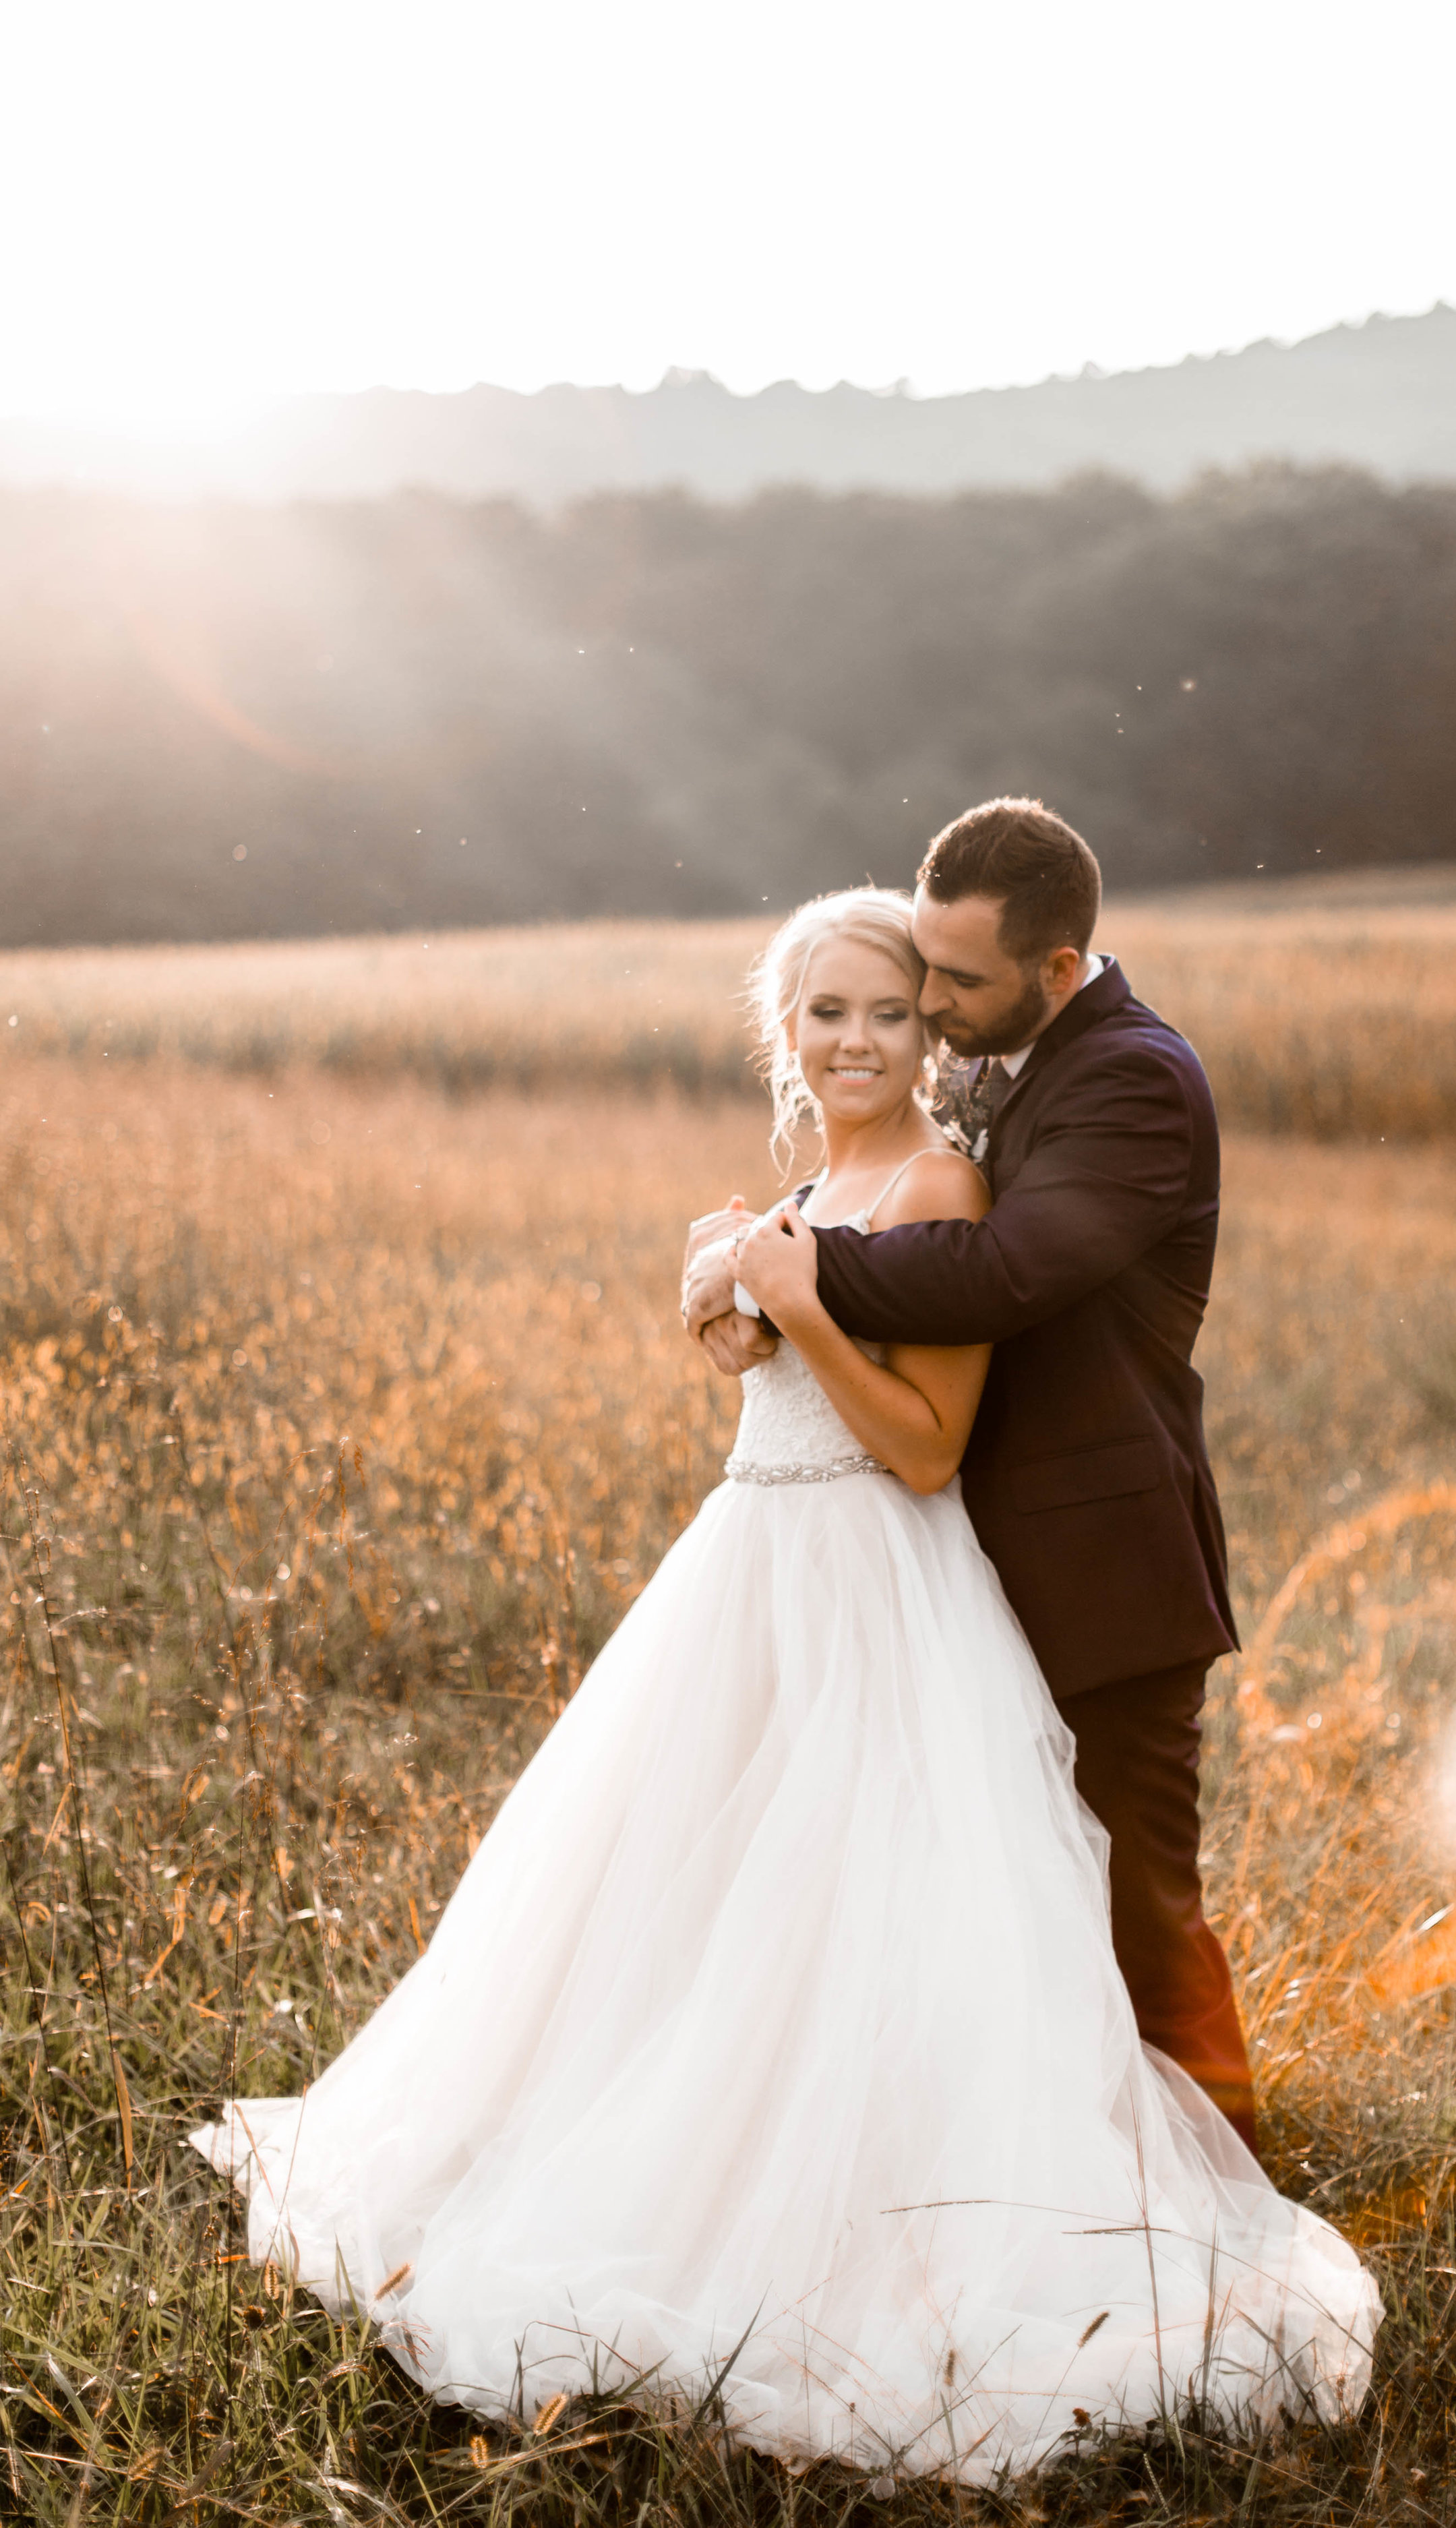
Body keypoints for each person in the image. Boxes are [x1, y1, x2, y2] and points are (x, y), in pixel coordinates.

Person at [195, 882, 1376, 2481]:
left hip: (880, 1599)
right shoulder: (812, 1182)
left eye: (893, 1012)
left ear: (934, 1029)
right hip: (746, 1585)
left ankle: (947, 2225)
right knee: (688, 1914)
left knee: (883, 1920)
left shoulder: (945, 1174)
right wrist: (737, 1323)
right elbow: (791, 1371)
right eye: (827, 1013)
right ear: (784, 1028)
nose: (859, 1039)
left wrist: (801, 1304)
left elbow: (921, 1449)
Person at [685, 799, 1254, 2146]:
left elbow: (999, 1275)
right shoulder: (1018, 1062)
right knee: (990, 1909)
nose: (927, 1008)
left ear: (1055, 971)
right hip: (965, 1571)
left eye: (951, 983)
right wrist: (740, 1259)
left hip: (1099, 1569)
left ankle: (1220, 2186)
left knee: (1131, 1904)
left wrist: (780, 1272)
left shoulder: (1130, 1078)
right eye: (912, 973)